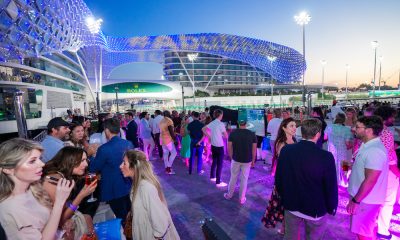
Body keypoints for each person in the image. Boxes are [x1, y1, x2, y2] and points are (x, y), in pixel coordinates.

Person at [275, 119, 338, 239]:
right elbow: (330, 187)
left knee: (290, 237)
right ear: (318, 134)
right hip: (315, 209)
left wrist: (285, 198)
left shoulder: (287, 151)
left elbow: (279, 179)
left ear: (302, 132)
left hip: (292, 205)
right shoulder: (326, 156)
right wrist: (331, 207)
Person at [0, 138, 74, 239]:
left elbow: (46, 222)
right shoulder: (10, 210)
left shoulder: (32, 188)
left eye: (40, 159)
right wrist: (59, 202)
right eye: (32, 161)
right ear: (8, 169)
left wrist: (61, 224)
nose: (42, 164)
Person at [120, 150, 180, 240]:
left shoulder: (145, 187)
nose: (120, 166)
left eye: (124, 163)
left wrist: (157, 236)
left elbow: (161, 223)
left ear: (134, 167)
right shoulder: (137, 183)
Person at [42, 146, 98, 239]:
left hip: (54, 219)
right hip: (47, 226)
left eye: (86, 160)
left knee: (87, 217)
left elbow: (65, 207)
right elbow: (61, 220)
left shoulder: (61, 175)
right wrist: (81, 195)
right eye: (82, 160)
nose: (86, 164)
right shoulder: (56, 181)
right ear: (70, 161)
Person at [347, 116, 388, 240]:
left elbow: (371, 180)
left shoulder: (374, 150)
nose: (354, 129)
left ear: (369, 130)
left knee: (363, 233)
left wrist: (356, 201)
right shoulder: (367, 145)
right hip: (363, 198)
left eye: (357, 127)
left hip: (366, 200)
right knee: (362, 231)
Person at [89, 118, 133, 223]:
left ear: (107, 131)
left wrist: (91, 155)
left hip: (113, 189)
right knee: (129, 215)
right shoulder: (128, 144)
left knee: (122, 219)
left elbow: (94, 168)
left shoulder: (104, 148)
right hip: (128, 185)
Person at [262, 117, 297, 234]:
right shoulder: (281, 143)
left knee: (288, 204)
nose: (294, 128)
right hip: (285, 177)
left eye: (295, 126)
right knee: (282, 204)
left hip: (294, 176)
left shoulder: (295, 140)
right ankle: (284, 228)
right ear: (284, 128)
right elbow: (282, 163)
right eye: (291, 126)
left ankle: (284, 228)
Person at [374, 106, 400, 239]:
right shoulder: (386, 133)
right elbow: (388, 158)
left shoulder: (373, 130)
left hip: (374, 172)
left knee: (378, 200)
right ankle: (383, 231)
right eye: (392, 116)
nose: (394, 119)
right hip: (387, 172)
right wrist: (398, 173)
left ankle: (375, 223)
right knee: (388, 202)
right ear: (387, 117)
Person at [224, 120, 257, 205]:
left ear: (238, 123)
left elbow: (229, 146)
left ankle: (229, 195)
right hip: (247, 160)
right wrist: (253, 160)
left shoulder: (233, 133)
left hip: (236, 159)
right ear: (246, 124)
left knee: (233, 177)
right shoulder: (252, 134)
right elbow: (254, 149)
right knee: (244, 179)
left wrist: (231, 157)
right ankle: (242, 199)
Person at [324, 113, 353, 187]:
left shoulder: (329, 127)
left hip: (331, 150)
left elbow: (325, 138)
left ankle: (333, 183)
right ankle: (344, 181)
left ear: (335, 118)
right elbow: (347, 143)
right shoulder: (346, 129)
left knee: (332, 165)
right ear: (343, 120)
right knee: (344, 166)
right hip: (342, 150)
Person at [203, 109, 228, 187]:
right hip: (220, 146)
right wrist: (222, 135)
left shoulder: (212, 123)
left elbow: (203, 129)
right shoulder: (221, 124)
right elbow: (226, 136)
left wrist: (209, 136)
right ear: (220, 115)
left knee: (214, 161)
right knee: (219, 164)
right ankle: (218, 182)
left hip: (213, 146)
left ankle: (212, 176)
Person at [159, 110, 177, 174]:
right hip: (168, 139)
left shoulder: (161, 121)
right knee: (174, 153)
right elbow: (171, 131)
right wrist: (175, 139)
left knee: (165, 154)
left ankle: (166, 167)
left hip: (162, 139)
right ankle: (168, 168)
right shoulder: (169, 120)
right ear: (169, 114)